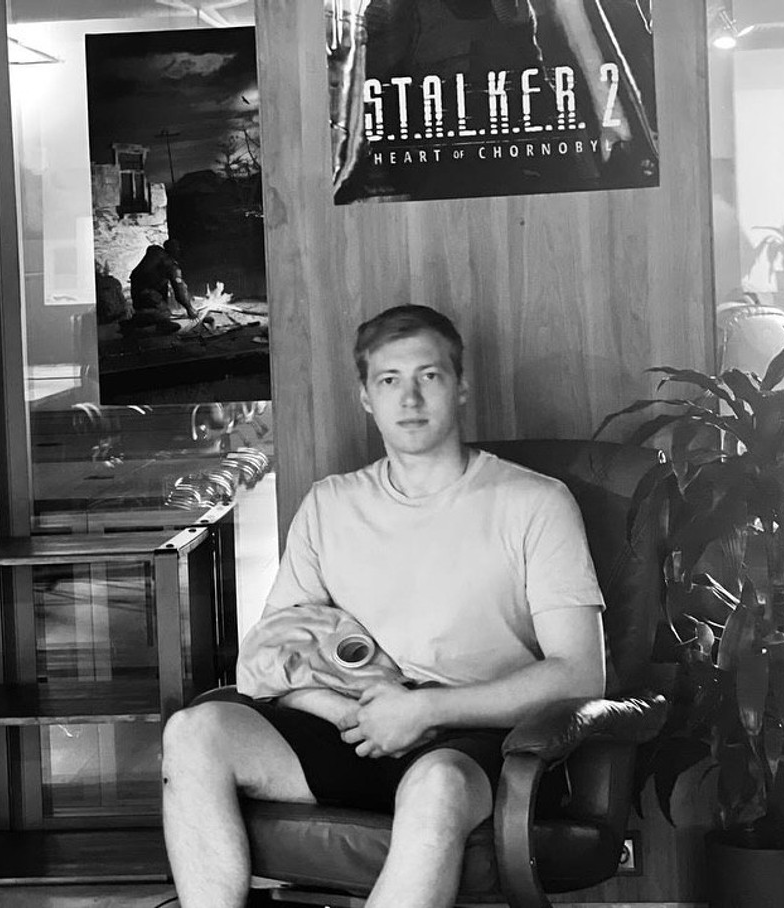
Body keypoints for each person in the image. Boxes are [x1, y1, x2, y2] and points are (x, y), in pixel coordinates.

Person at [161, 304, 606, 908]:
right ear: (366, 397)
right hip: (353, 729)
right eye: (390, 380)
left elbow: (579, 674)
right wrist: (357, 716)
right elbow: (274, 657)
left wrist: (423, 711)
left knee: (437, 785)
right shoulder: (329, 505)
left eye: (430, 376)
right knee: (195, 732)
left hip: (481, 741)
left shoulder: (536, 503)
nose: (410, 398)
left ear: (461, 386)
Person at [123, 241, 197, 335]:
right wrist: (189, 308)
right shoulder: (170, 265)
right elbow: (179, 289)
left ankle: (142, 319)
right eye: (178, 250)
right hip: (147, 293)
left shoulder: (155, 254)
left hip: (136, 291)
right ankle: (144, 329)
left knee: (149, 308)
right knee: (165, 315)